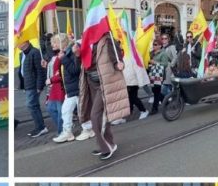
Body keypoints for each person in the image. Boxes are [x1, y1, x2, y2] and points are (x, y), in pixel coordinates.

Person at [78, 32, 130, 161]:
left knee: (95, 116)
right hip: (91, 82)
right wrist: (76, 54)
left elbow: (117, 55)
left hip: (104, 83)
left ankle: (106, 148)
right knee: (100, 116)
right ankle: (108, 143)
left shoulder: (108, 39)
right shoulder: (86, 40)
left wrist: (119, 63)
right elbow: (83, 61)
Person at [18, 40, 47, 137]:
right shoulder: (21, 54)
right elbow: (22, 71)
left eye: (18, 41)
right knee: (34, 106)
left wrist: (39, 86)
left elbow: (40, 70)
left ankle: (41, 127)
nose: (16, 44)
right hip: (28, 84)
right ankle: (40, 127)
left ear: (25, 42)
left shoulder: (35, 52)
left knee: (31, 105)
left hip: (33, 85)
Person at [118, 39, 151, 123]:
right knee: (130, 98)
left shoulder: (134, 54)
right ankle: (130, 112)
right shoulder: (124, 53)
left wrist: (140, 82)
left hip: (133, 81)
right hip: (127, 80)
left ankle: (143, 110)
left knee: (133, 97)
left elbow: (139, 68)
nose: (121, 45)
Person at [46, 33, 66, 136]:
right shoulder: (56, 55)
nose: (52, 45)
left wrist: (51, 80)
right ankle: (64, 128)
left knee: (60, 112)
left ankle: (62, 132)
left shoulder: (63, 55)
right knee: (50, 109)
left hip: (60, 87)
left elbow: (61, 74)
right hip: (54, 88)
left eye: (54, 42)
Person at [148, 40, 168, 114]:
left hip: (159, 75)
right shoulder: (151, 53)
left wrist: (155, 62)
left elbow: (165, 64)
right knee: (155, 90)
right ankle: (165, 100)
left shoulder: (163, 53)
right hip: (152, 74)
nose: (154, 46)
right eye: (153, 44)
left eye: (156, 44)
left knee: (156, 91)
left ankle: (155, 108)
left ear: (160, 45)